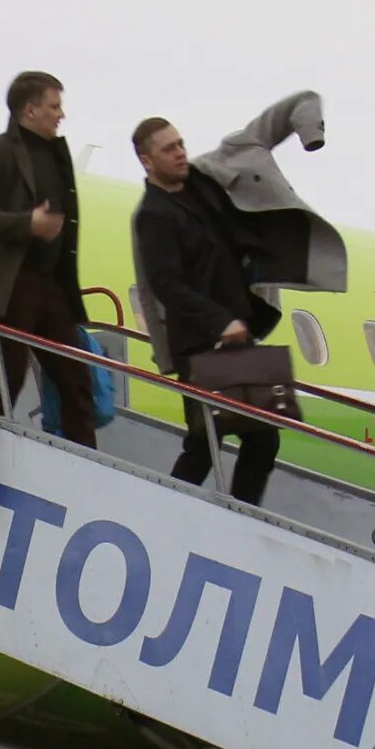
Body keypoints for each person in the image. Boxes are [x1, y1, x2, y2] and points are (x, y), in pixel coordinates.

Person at [130, 116, 282, 505]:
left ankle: (223, 514)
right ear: (147, 161)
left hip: (234, 338)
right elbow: (166, 284)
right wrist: (220, 321)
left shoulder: (197, 195)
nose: (181, 153)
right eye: (169, 148)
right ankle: (199, 514)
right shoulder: (154, 214)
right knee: (221, 439)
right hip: (202, 344)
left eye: (180, 144)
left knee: (246, 437)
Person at [0, 71, 99, 448]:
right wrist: (28, 224)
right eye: (54, 106)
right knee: (10, 377)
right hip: (12, 285)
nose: (61, 115)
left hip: (51, 284)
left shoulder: (56, 156)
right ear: (30, 109)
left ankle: (86, 467)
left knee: (76, 380)